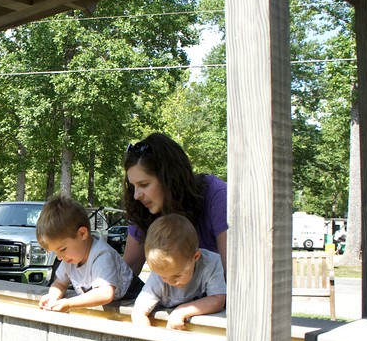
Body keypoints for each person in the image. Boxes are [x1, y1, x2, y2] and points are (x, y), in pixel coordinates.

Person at [122, 132, 228, 279]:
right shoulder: (142, 209)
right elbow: (128, 272)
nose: (136, 195)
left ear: (170, 178)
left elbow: (230, 271)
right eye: (133, 187)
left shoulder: (216, 195)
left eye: (144, 185)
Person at [36, 195, 139, 312]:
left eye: (62, 249)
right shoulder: (69, 258)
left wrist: (69, 303)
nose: (59, 257)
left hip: (134, 300)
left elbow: (105, 293)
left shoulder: (102, 255)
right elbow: (60, 283)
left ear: (82, 234)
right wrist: (53, 297)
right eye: (55, 252)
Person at [131, 214, 227, 329]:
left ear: (195, 257)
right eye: (163, 276)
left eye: (177, 275)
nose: (170, 282)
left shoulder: (211, 263)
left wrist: (181, 311)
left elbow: (218, 300)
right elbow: (138, 312)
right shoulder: (158, 275)